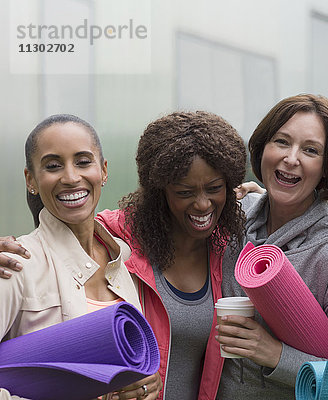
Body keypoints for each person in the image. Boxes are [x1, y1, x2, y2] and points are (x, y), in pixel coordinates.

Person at [0, 114, 161, 399]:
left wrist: (147, 385)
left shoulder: (124, 260)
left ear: (104, 170)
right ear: (31, 180)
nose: (71, 177)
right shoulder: (16, 264)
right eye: (53, 166)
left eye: (83, 161)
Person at [214, 94, 328, 399]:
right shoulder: (234, 218)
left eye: (310, 150)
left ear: (325, 167)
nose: (292, 158)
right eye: (281, 141)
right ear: (262, 147)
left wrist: (274, 354)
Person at [96, 111, 247, 400]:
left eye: (215, 189)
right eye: (184, 192)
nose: (203, 204)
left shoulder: (228, 247)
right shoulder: (112, 241)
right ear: (160, 191)